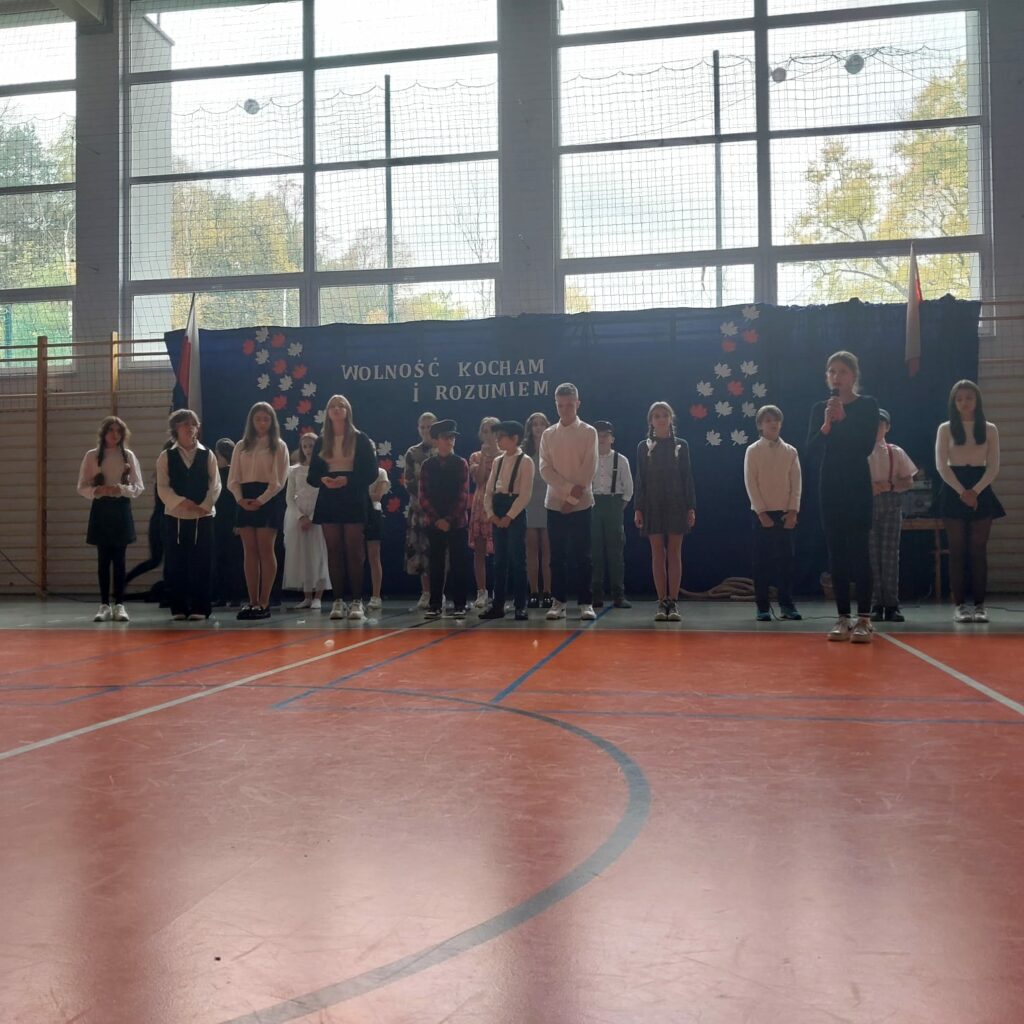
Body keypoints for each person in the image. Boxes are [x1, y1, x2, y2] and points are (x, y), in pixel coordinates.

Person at [806, 351, 879, 643]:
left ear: (854, 376)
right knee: (836, 553)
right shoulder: (819, 409)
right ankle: (842, 617)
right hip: (830, 485)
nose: (837, 377)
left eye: (843, 371)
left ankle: (864, 619)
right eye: (832, 372)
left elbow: (865, 446)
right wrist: (826, 426)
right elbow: (811, 451)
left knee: (859, 552)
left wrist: (844, 419)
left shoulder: (868, 405)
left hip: (857, 485)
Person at [935, 379, 1005, 623]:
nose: (964, 403)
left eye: (969, 398)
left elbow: (994, 466)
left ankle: (979, 605)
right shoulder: (945, 428)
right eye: (959, 399)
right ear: (954, 402)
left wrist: (974, 491)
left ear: (977, 401)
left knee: (978, 550)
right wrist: (962, 491)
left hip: (980, 486)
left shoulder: (990, 429)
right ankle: (959, 606)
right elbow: (941, 465)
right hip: (954, 486)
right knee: (956, 550)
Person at [308, 394, 378, 621]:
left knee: (354, 550)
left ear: (348, 411)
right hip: (329, 498)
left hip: (353, 496)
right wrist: (324, 480)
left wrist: (348, 480)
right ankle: (338, 600)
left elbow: (371, 472)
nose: (337, 409)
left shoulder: (360, 438)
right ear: (327, 413)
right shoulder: (321, 440)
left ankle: (357, 600)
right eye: (332, 406)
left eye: (341, 406)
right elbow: (312, 475)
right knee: (334, 550)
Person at [539, 383, 599, 621]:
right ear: (556, 405)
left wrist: (573, 498)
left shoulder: (589, 432)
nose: (565, 409)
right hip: (555, 504)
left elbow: (589, 467)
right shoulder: (548, 434)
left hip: (582, 504)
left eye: (569, 405)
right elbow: (545, 468)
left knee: (583, 555)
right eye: (560, 405)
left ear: (578, 404)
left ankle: (586, 602)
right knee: (557, 556)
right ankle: (559, 601)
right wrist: (565, 493)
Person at [77, 415, 145, 623]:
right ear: (103, 433)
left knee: (120, 560)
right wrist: (97, 491)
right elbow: (81, 486)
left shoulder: (128, 456)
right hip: (101, 509)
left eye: (118, 431)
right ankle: (104, 604)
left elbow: (138, 486)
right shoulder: (92, 456)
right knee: (103, 559)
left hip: (120, 508)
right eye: (111, 430)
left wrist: (120, 489)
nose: (114, 435)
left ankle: (120, 605)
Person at [156, 409, 221, 621]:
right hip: (175, 516)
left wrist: (204, 505)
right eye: (185, 424)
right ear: (175, 428)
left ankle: (200, 607)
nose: (189, 428)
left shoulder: (207, 454)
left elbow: (215, 484)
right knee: (176, 563)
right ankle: (179, 607)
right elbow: (162, 487)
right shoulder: (166, 456)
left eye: (193, 424)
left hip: (202, 517)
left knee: (202, 562)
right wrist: (180, 502)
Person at [634, 402, 696, 622]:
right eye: (657, 416)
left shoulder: (681, 446)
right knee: (657, 553)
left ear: (671, 419)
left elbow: (687, 477)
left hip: (676, 504)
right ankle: (662, 601)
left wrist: (690, 506)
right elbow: (640, 478)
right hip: (652, 504)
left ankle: (674, 601)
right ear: (651, 421)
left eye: (664, 415)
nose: (661, 419)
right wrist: (638, 507)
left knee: (674, 553)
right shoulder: (643, 447)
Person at [228, 401, 289, 621]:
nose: (262, 423)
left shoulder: (278, 445)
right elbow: (233, 479)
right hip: (245, 498)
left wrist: (261, 500)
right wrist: (240, 499)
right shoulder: (241, 446)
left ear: (272, 422)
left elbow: (279, 480)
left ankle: (264, 601)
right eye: (258, 419)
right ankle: (252, 601)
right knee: (249, 551)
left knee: (265, 549)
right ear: (251, 421)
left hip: (267, 499)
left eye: (266, 419)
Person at [743, 405, 801, 622]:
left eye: (775, 420)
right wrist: (761, 513)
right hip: (762, 515)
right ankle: (762, 607)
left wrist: (793, 511)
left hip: (785, 514)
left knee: (786, 561)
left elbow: (796, 483)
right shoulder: (753, 451)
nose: (772, 423)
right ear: (760, 426)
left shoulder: (791, 451)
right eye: (767, 420)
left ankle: (787, 605)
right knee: (761, 562)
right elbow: (751, 483)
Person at [480, 420, 534, 621]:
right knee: (499, 561)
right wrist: (491, 514)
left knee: (518, 560)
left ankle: (521, 605)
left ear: (514, 438)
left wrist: (509, 516)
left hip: (514, 511)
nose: (498, 440)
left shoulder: (525, 461)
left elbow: (525, 495)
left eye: (501, 436)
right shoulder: (498, 461)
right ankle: (498, 605)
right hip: (498, 507)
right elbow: (489, 491)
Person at [869, 409, 917, 622]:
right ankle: (875, 603)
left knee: (889, 555)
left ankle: (891, 604)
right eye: (873, 423)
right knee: (872, 555)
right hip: (868, 503)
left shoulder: (895, 452)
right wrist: (868, 487)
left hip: (891, 503)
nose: (876, 427)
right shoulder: (859, 452)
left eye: (881, 424)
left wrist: (889, 485)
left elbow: (909, 481)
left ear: (887, 427)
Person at [419, 419, 470, 620]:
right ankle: (435, 604)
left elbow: (463, 495)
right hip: (434, 522)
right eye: (445, 438)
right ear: (435, 441)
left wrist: (449, 519)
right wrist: (437, 519)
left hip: (457, 522)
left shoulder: (461, 463)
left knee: (459, 564)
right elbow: (423, 496)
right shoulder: (427, 465)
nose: (449, 441)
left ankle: (460, 604)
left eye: (452, 438)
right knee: (436, 564)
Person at [283, 431, 329, 611]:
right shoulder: (294, 470)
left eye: (312, 446)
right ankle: (307, 596)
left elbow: (324, 496)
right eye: (305, 446)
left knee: (319, 554)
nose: (308, 449)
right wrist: (300, 516)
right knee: (303, 556)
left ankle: (318, 596)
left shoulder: (324, 469)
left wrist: (312, 517)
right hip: (299, 517)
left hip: (318, 516)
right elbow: (289, 498)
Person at [590, 420, 633, 610]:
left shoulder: (621, 460)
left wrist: (617, 509)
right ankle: (595, 595)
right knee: (594, 552)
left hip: (614, 504)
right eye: (598, 435)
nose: (602, 439)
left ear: (612, 438)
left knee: (616, 552)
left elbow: (628, 490)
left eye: (605, 435)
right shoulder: (588, 458)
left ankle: (618, 595)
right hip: (593, 504)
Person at [125, 439, 172, 602]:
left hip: (158, 519)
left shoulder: (162, 472)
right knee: (163, 559)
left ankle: (123, 583)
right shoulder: (165, 473)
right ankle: (168, 592)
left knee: (157, 560)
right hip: (163, 520)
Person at [402, 411, 437, 610]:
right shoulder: (412, 453)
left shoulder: (442, 449)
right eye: (422, 427)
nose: (425, 431)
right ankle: (426, 592)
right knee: (420, 552)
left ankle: (438, 593)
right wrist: (424, 497)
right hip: (419, 509)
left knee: (438, 552)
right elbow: (409, 481)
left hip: (439, 510)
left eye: (429, 427)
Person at [468, 416, 500, 609]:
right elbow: (479, 480)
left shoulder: (505, 455)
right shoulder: (475, 457)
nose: (490, 435)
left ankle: (499, 592)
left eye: (493, 430)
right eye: (486, 431)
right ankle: (481, 592)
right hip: (480, 505)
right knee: (479, 551)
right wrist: (484, 458)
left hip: (499, 505)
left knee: (501, 550)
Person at [523, 411, 552, 609]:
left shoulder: (553, 447)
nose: (538, 427)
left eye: (542, 424)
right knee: (531, 551)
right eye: (535, 424)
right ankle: (533, 592)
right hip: (529, 502)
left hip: (549, 501)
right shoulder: (524, 450)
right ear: (530, 428)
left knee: (548, 551)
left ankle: (548, 592)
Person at [211, 438, 245, 607]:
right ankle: (222, 595)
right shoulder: (215, 473)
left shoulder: (234, 474)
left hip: (231, 520)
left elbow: (238, 500)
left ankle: (236, 595)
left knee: (234, 559)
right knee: (220, 558)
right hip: (218, 520)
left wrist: (238, 522)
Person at [366, 465, 392, 613]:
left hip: (373, 514)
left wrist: (359, 496)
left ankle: (376, 596)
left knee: (374, 556)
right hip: (355, 514)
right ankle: (355, 598)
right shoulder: (353, 471)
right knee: (354, 557)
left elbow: (377, 496)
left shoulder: (381, 472)